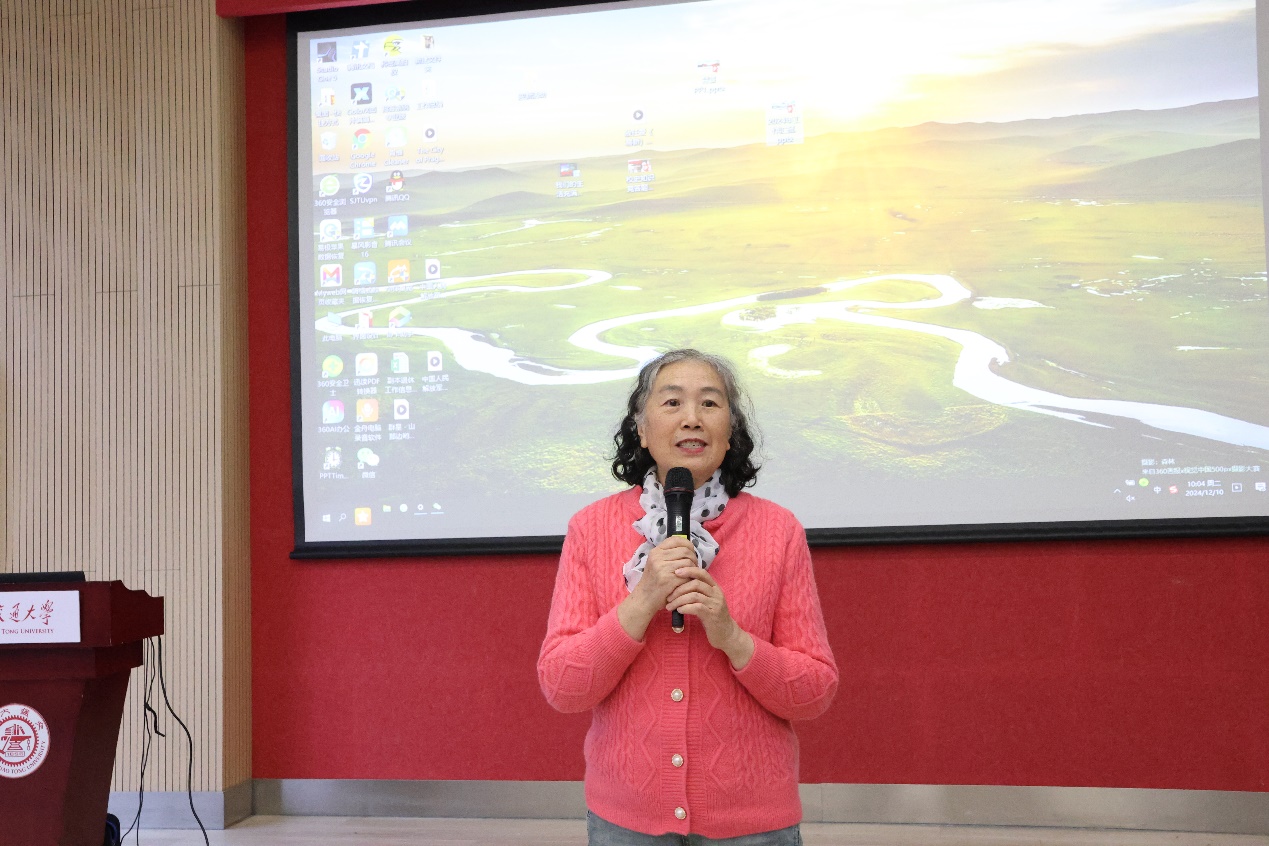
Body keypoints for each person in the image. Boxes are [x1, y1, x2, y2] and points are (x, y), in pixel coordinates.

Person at [538, 349, 838, 845]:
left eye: (710, 403)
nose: (692, 418)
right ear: (641, 429)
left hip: (752, 824)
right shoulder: (590, 528)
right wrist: (642, 601)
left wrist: (732, 636)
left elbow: (815, 692)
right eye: (672, 402)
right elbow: (562, 687)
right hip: (625, 821)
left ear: (730, 432)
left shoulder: (778, 530)